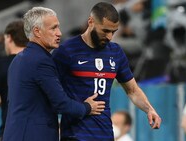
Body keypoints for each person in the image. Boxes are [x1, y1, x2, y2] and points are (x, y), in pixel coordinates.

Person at [52, 2, 161, 141]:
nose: (109, 37)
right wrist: (80, 107)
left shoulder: (115, 52)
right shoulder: (66, 51)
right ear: (90, 22)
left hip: (105, 134)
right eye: (105, 31)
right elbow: (51, 91)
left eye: (113, 32)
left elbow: (132, 90)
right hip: (75, 135)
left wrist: (149, 109)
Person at [3, 7, 105, 141]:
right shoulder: (41, 61)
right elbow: (61, 103)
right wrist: (87, 107)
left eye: (58, 27)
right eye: (53, 28)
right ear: (37, 31)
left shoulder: (18, 59)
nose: (59, 33)